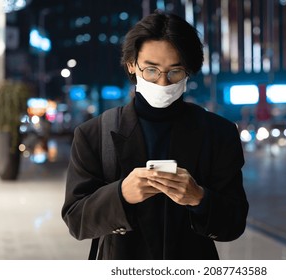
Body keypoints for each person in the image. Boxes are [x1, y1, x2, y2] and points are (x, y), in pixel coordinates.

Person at [62, 10, 248, 260]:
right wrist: (121, 195)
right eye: (151, 70)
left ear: (189, 71)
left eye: (175, 71)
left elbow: (234, 223)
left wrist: (200, 198)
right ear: (132, 65)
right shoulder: (94, 134)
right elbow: (76, 220)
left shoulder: (218, 133)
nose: (163, 82)